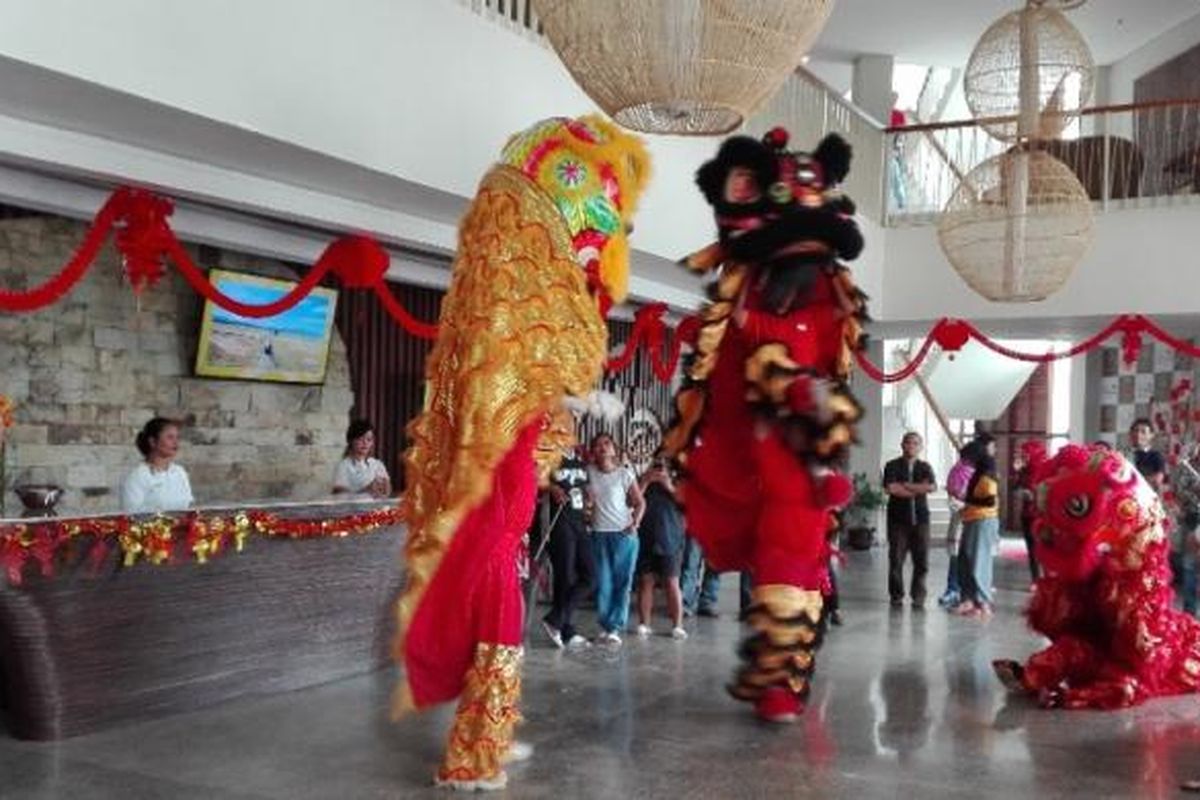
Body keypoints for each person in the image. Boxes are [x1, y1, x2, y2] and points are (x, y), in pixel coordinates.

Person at [587, 433, 645, 645]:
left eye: (606, 443)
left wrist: (635, 523)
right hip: (598, 534)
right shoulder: (588, 472)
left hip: (623, 535)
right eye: (597, 444)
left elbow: (640, 502)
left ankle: (615, 628)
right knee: (602, 582)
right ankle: (605, 625)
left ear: (613, 449)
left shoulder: (624, 474)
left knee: (622, 582)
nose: (602, 447)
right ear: (593, 451)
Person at [541, 443, 593, 649]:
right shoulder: (549, 452)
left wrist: (588, 495)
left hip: (580, 521)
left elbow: (582, 485)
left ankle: (556, 619)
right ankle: (567, 630)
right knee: (565, 577)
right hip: (559, 522)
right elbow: (534, 477)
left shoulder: (579, 456)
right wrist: (551, 487)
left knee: (591, 575)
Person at [634, 457, 687, 640]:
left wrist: (668, 484)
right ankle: (644, 624)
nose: (659, 467)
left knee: (672, 582)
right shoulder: (642, 478)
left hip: (670, 538)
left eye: (663, 463)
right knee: (645, 581)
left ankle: (678, 625)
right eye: (656, 463)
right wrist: (646, 481)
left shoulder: (679, 479)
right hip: (645, 537)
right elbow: (632, 501)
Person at [883, 432, 937, 608]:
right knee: (896, 561)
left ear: (920, 447)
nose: (911, 446)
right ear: (902, 445)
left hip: (921, 521)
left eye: (915, 443)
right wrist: (917, 489)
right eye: (908, 443)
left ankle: (918, 596)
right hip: (898, 521)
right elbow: (891, 488)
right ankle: (896, 596)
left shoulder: (925, 467)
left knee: (922, 561)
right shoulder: (891, 465)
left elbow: (932, 487)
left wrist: (905, 485)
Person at [955, 441, 1000, 618]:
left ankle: (983, 601)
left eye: (967, 458)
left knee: (979, 561)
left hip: (983, 520)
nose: (966, 462)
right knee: (965, 560)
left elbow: (989, 501)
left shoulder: (987, 476)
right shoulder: (978, 474)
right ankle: (970, 599)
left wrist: (967, 500)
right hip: (972, 518)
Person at [121, 417, 194, 513]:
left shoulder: (179, 472)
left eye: (177, 437)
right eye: (170, 437)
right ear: (153, 442)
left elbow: (188, 506)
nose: (176, 442)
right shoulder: (137, 476)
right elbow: (131, 514)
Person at [939, 441, 977, 609]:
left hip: (978, 518)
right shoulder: (957, 471)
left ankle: (970, 591)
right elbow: (953, 494)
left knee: (974, 556)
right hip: (961, 517)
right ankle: (952, 588)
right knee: (956, 556)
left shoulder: (980, 472)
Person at [332, 419, 391, 498]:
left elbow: (386, 491)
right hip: (353, 509)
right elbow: (338, 493)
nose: (365, 443)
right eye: (360, 439)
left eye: (369, 439)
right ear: (351, 441)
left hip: (375, 509)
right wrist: (366, 490)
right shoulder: (343, 465)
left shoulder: (377, 464)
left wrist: (386, 488)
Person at [1129, 418, 1166, 492]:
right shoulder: (1123, 455)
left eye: (1143, 432)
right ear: (1130, 434)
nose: (1138, 435)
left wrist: (1132, 481)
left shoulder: (1156, 456)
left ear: (1151, 435)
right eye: (1136, 431)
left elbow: (1157, 480)